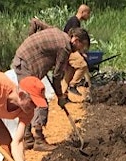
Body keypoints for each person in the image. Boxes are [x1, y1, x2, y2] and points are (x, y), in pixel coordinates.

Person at [13, 18, 90, 151]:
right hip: (26, 64)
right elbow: (56, 76)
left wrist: (31, 41)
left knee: (30, 99)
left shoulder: (58, 32)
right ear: (75, 40)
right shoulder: (64, 48)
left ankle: (28, 138)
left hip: (23, 60)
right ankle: (38, 139)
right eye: (81, 47)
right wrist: (60, 97)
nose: (80, 51)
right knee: (39, 102)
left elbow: (35, 22)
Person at [63, 4, 92, 96]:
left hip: (66, 48)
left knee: (69, 73)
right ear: (83, 12)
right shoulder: (75, 22)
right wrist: (80, 53)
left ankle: (63, 96)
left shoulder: (73, 20)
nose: (89, 16)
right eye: (88, 13)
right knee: (82, 65)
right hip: (68, 48)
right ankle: (73, 85)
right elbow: (75, 40)